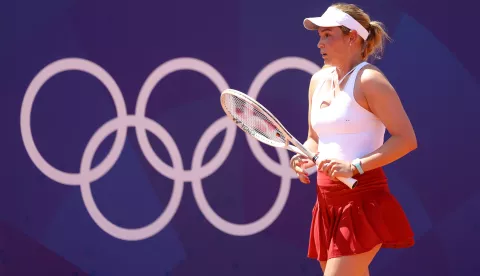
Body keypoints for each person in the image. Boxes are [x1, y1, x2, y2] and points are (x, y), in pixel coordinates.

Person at [289, 3, 417, 275]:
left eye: (328, 35)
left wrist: (355, 166)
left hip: (363, 199)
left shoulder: (370, 81)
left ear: (352, 38)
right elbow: (314, 138)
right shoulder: (318, 80)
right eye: (319, 36)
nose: (320, 43)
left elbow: (406, 139)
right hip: (325, 201)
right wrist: (305, 157)